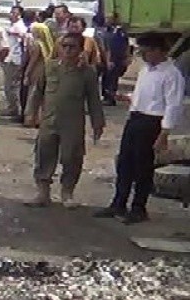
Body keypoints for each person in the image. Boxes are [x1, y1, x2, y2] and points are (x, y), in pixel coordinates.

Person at [95, 32, 186, 224]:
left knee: (143, 167)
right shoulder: (146, 70)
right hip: (135, 118)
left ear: (159, 51)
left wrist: (164, 133)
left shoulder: (171, 74)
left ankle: (138, 207)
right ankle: (118, 203)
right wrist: (128, 99)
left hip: (152, 122)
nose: (143, 56)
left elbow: (172, 105)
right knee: (125, 163)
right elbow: (143, 95)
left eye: (146, 52)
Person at [24, 32, 105, 208]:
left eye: (72, 47)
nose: (67, 50)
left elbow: (94, 100)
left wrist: (98, 123)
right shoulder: (50, 67)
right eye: (64, 46)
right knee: (44, 154)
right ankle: (42, 193)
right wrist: (31, 112)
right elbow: (37, 91)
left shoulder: (87, 73)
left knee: (71, 157)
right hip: (49, 120)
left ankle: (67, 192)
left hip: (72, 122)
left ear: (80, 49)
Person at [24, 21, 56, 123]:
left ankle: (32, 118)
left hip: (36, 71)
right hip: (43, 70)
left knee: (34, 94)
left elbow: (32, 60)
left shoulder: (37, 44)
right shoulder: (45, 45)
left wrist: (27, 72)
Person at [2, 5, 29, 121]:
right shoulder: (13, 26)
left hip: (15, 60)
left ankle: (14, 109)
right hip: (10, 58)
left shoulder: (20, 27)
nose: (12, 15)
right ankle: (12, 107)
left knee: (11, 86)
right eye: (11, 12)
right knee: (9, 86)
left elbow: (23, 42)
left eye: (15, 13)